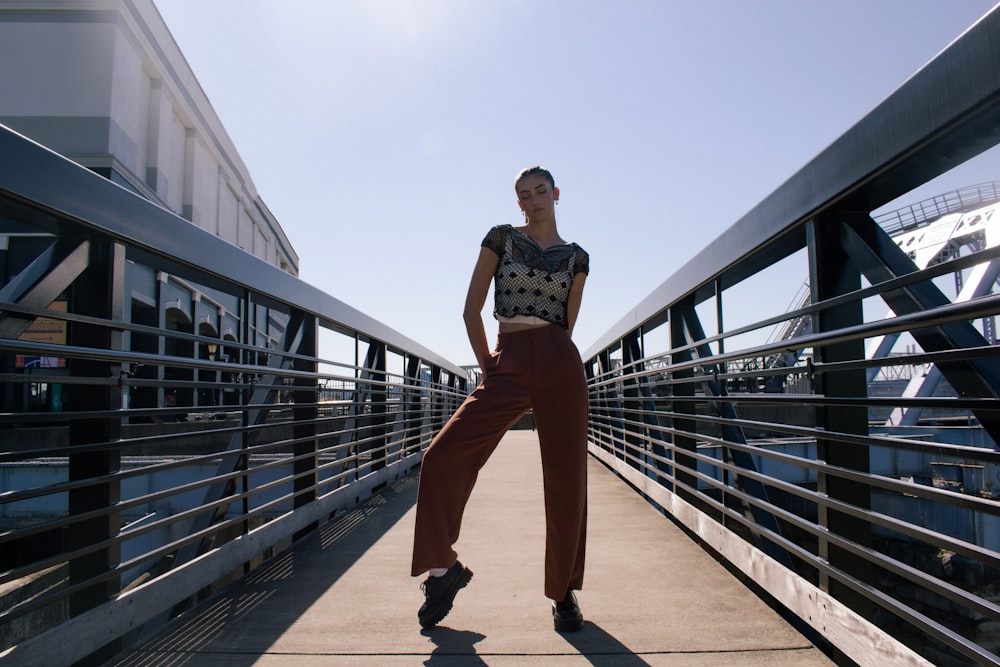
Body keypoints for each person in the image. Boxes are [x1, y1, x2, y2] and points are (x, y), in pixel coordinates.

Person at [411, 166, 590, 633]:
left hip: (559, 363)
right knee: (441, 456)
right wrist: (489, 364)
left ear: (556, 194)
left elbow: (567, 326)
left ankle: (564, 592)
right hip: (507, 359)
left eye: (540, 192)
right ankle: (442, 571)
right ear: (518, 203)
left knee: (567, 481)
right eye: (524, 195)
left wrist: (549, 361)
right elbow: (471, 309)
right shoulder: (500, 239)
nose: (533, 201)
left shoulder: (578, 257)